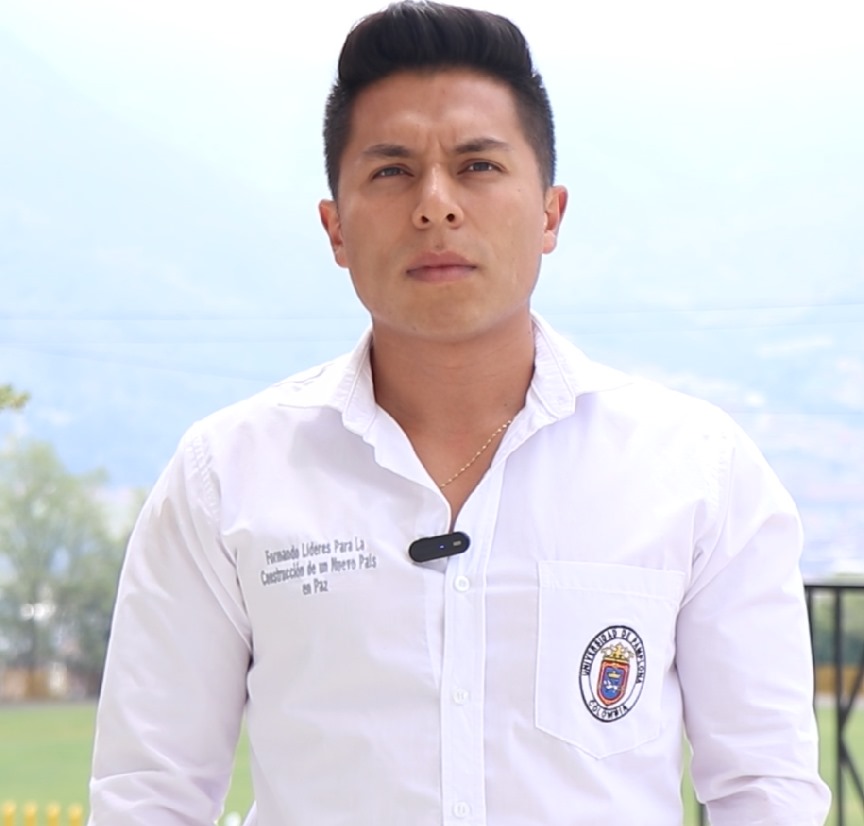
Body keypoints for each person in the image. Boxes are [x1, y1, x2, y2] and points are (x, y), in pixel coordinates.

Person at [88, 2, 831, 824]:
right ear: (335, 229)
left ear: (549, 213)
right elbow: (148, 793)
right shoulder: (226, 476)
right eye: (391, 171)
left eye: (478, 166)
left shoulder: (694, 471)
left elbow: (766, 791)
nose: (435, 205)